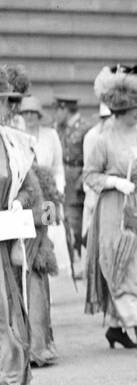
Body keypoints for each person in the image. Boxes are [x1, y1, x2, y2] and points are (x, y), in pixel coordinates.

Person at [82, 66, 137, 354]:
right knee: (118, 262)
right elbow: (89, 175)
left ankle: (117, 327)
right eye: (133, 110)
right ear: (120, 112)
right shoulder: (103, 139)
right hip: (113, 209)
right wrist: (114, 181)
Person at [0, 95, 44, 385]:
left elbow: (30, 188)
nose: (9, 109)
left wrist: (18, 203)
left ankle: (6, 384)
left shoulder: (13, 145)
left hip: (4, 240)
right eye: (5, 102)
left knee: (7, 311)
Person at [16, 98, 61, 368]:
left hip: (37, 242)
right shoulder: (16, 180)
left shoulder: (43, 177)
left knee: (37, 293)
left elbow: (50, 214)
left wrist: (39, 219)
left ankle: (39, 347)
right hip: (17, 241)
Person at [54, 95, 85, 264]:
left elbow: (90, 157)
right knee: (62, 218)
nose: (56, 114)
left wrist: (82, 179)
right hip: (62, 177)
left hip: (76, 180)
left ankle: (77, 256)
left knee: (75, 221)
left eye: (58, 109)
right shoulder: (59, 128)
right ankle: (69, 257)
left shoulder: (84, 128)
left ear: (66, 109)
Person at [79, 101, 111, 248]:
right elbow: (89, 170)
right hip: (95, 192)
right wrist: (91, 196)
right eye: (104, 118)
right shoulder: (92, 137)